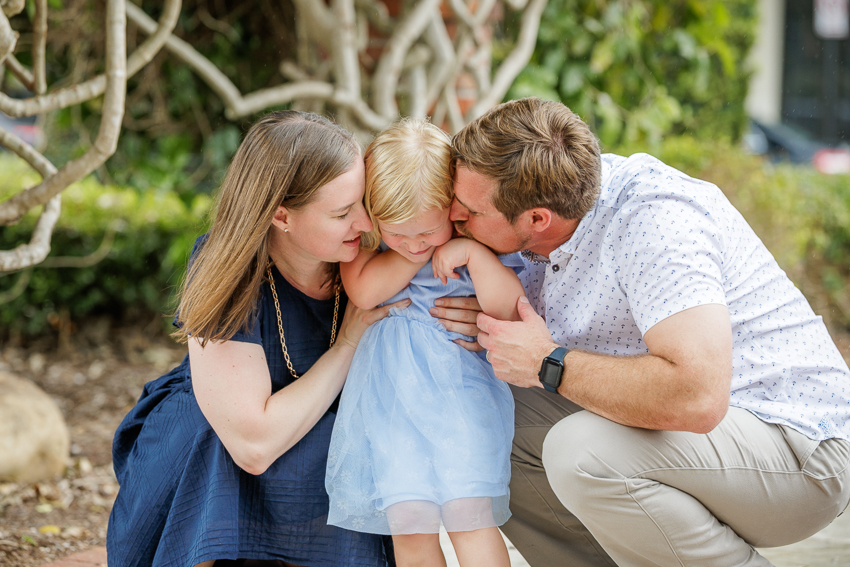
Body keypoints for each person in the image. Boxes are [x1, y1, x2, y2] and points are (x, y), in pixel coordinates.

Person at [429, 97, 850, 567]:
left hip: (798, 450)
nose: (453, 217)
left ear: (537, 219)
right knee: (478, 418)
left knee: (581, 453)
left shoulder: (655, 218)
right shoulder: (540, 208)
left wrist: (547, 362)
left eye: (468, 211)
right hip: (695, 440)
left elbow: (697, 396)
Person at [107, 111, 410, 567]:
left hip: (313, 448)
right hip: (223, 446)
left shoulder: (377, 259)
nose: (366, 223)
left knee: (344, 446)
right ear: (281, 215)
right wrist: (347, 345)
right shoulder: (228, 265)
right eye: (342, 213)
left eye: (362, 201)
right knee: (212, 437)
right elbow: (253, 445)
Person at [324, 118, 526, 567]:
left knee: (469, 517)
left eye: (427, 231)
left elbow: (511, 308)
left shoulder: (472, 243)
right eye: (398, 232)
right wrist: (418, 252)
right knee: (409, 523)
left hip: (461, 397)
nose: (413, 244)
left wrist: (473, 255)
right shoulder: (373, 248)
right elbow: (364, 292)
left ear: (453, 210)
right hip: (393, 406)